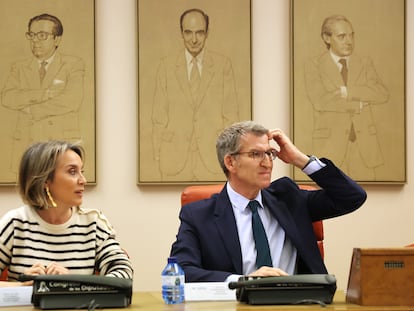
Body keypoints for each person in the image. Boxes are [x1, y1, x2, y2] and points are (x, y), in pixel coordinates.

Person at [170, 120, 366, 282]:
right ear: (230, 162)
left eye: (269, 154)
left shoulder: (288, 197)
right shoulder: (198, 214)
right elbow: (181, 270)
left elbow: (352, 197)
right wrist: (243, 281)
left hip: (298, 304)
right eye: (256, 154)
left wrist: (300, 159)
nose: (267, 162)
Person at [0, 140, 132, 286]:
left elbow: (124, 275)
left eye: (82, 171)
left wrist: (74, 282)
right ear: (45, 180)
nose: (83, 180)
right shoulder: (15, 223)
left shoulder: (93, 223)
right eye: (72, 171)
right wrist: (22, 286)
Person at [152, 8, 239, 182]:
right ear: (181, 33)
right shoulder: (166, 66)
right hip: (173, 158)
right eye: (188, 32)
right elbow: (158, 117)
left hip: (213, 160)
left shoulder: (223, 66)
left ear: (207, 33)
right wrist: (157, 154)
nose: (193, 39)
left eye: (199, 32)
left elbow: (231, 116)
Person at [304, 15, 389, 180]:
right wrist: (358, 105)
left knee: (361, 198)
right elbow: (320, 101)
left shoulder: (364, 62)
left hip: (365, 148)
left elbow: (381, 93)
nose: (349, 41)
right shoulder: (314, 65)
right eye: (342, 36)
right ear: (326, 38)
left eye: (351, 35)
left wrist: (346, 92)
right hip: (330, 147)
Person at [1, 13, 85, 175]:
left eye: (42, 35)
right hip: (27, 144)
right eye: (31, 35)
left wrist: (31, 110)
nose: (35, 40)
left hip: (60, 146)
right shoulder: (18, 67)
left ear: (57, 39)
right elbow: (8, 97)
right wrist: (45, 94)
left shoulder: (73, 64)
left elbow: (71, 100)